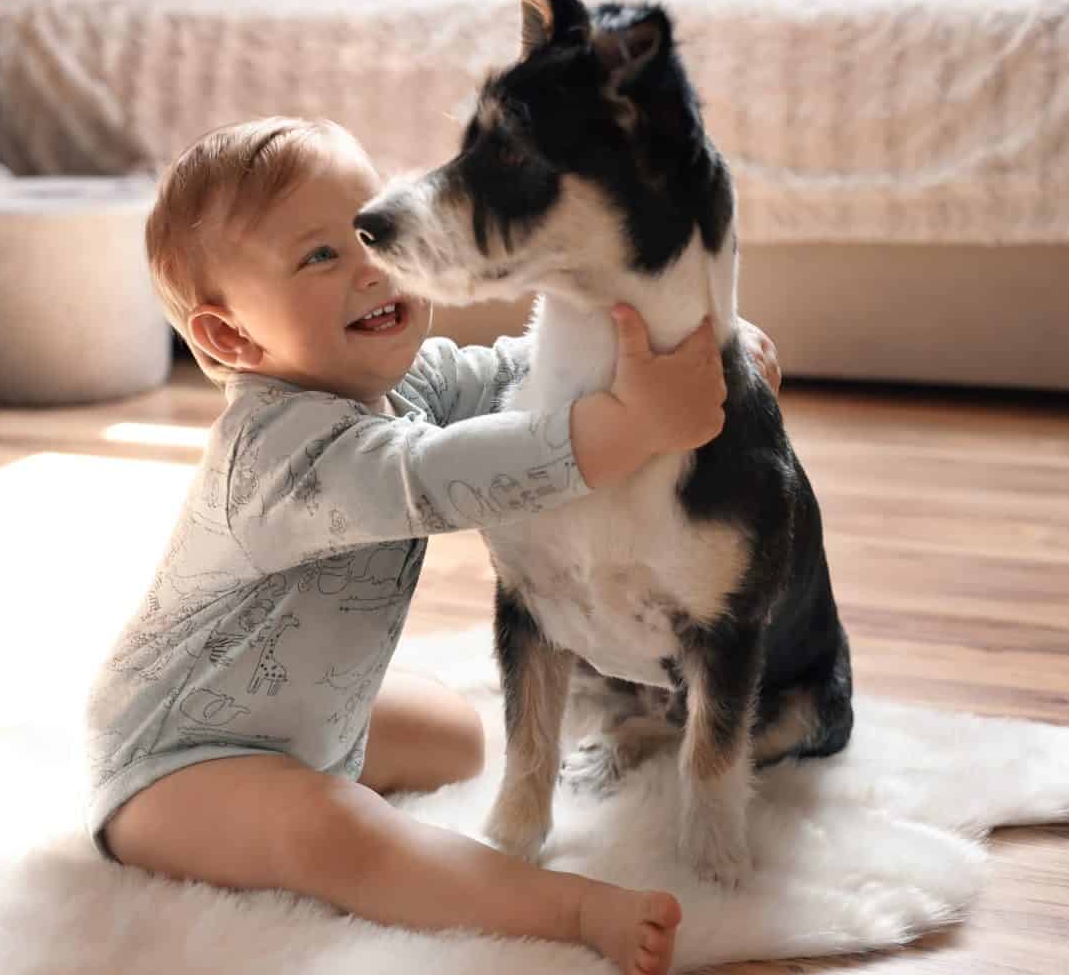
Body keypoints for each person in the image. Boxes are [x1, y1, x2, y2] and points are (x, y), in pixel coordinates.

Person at [85, 116, 780, 975]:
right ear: (232, 338)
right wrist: (630, 424)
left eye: (368, 227)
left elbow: (516, 373)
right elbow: (445, 476)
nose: (372, 262)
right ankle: (568, 908)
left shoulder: (395, 379)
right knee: (333, 836)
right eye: (319, 257)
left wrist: (689, 352)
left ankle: (312, 767)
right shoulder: (278, 457)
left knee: (458, 735)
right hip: (173, 759)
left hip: (292, 722)